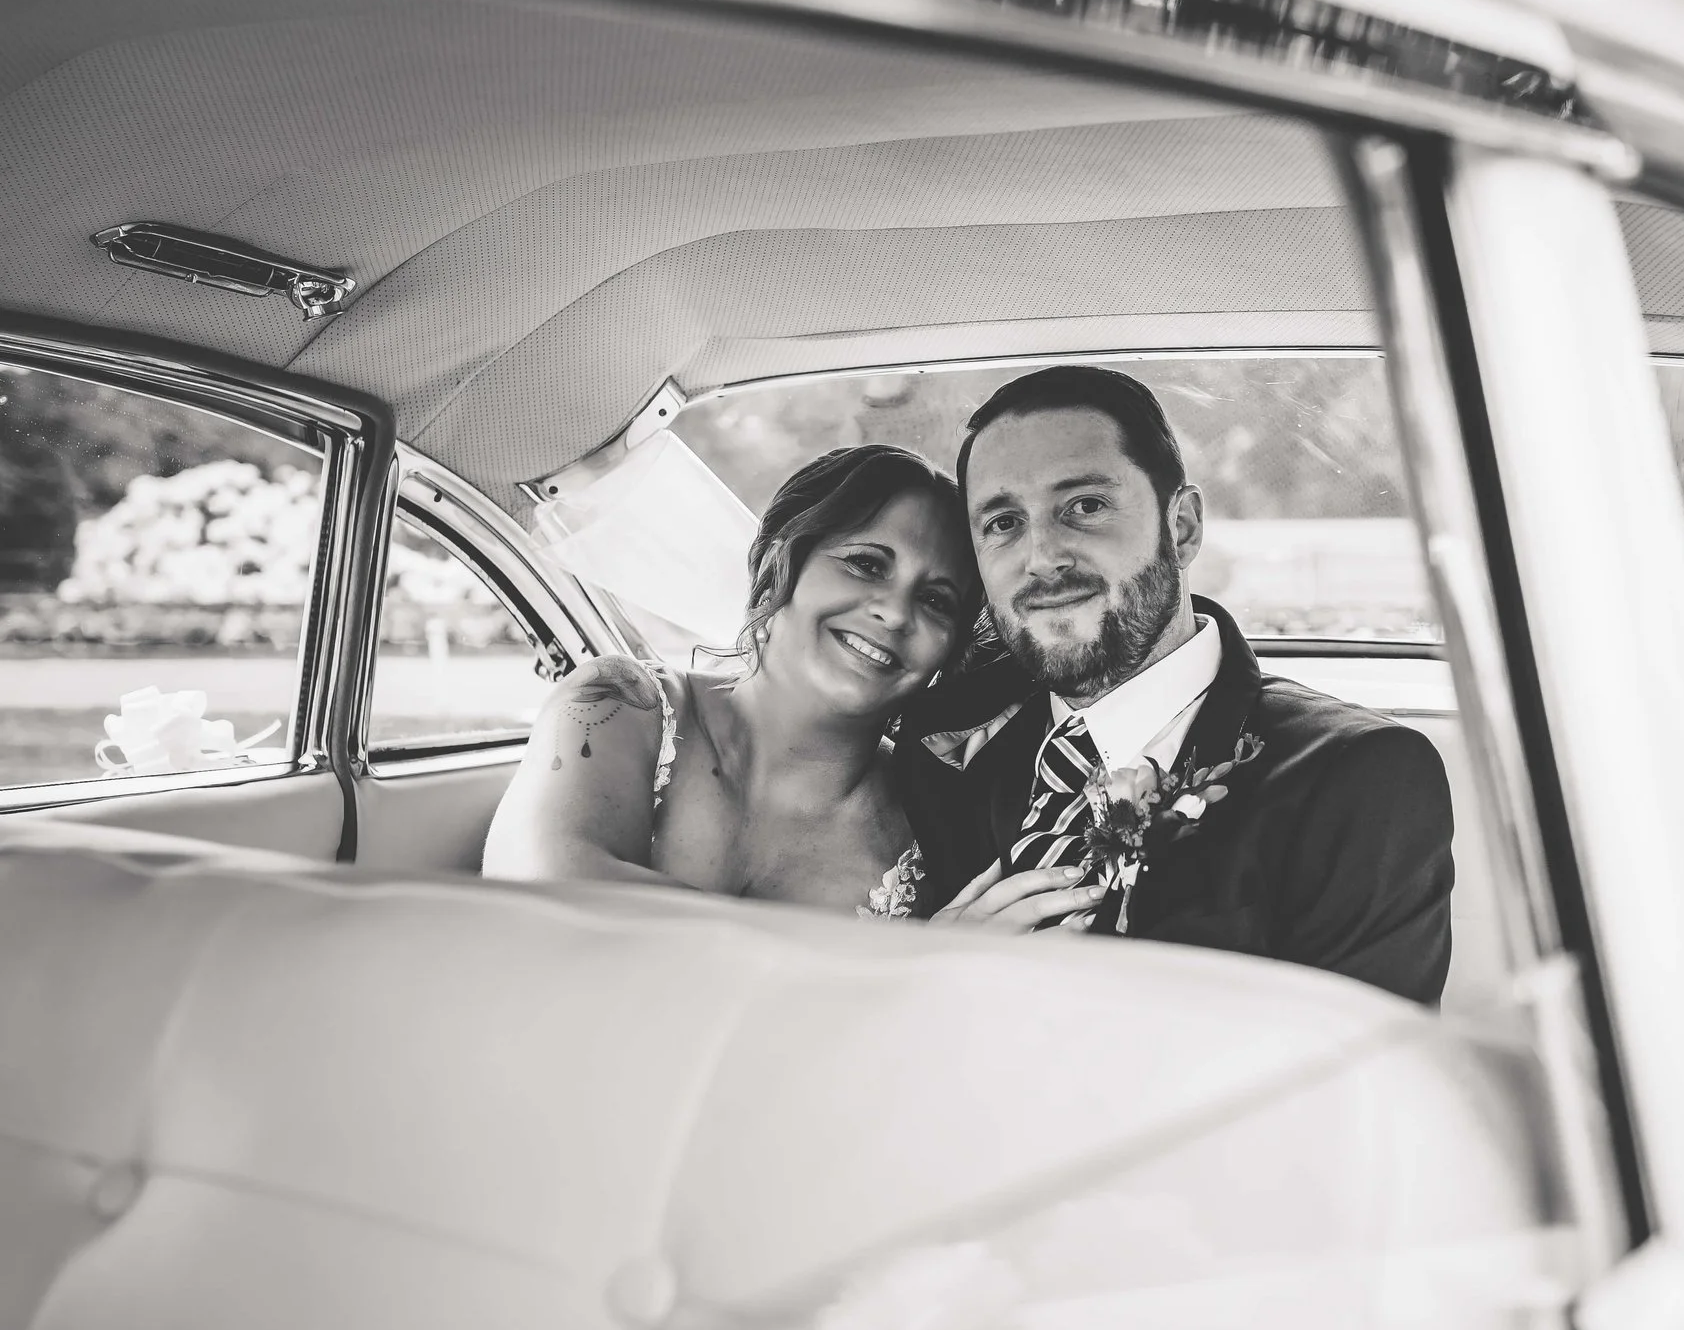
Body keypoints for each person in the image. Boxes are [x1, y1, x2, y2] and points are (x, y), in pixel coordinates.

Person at [898, 366, 1455, 1006]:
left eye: (1085, 506)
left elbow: (1355, 1091)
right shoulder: (949, 746)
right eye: (1002, 523)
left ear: (1182, 527)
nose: (1042, 557)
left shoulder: (1360, 777)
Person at [483, 444, 1110, 931]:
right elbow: (542, 895)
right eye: (866, 564)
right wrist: (909, 965)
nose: (895, 613)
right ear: (784, 561)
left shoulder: (938, 829)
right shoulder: (622, 705)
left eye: (936, 600)